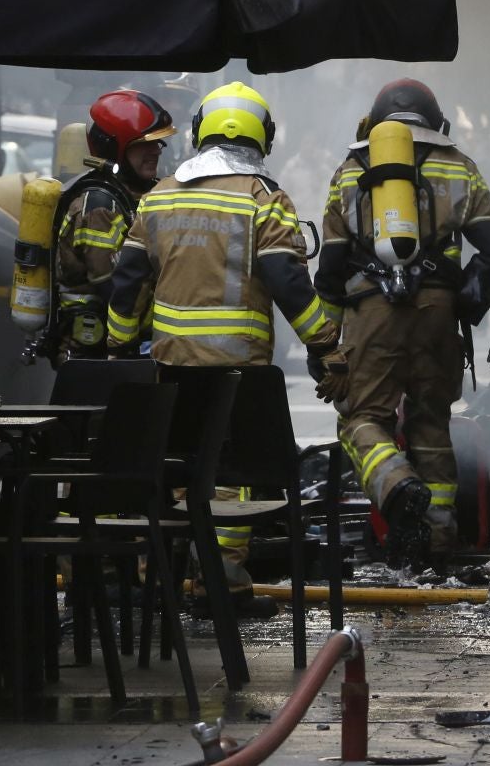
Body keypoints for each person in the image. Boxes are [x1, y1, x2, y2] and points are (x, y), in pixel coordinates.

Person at [104, 80, 340, 613]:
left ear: (198, 133)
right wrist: (326, 346)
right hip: (239, 373)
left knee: (175, 468)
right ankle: (223, 584)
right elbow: (289, 283)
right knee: (232, 476)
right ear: (264, 137)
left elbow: (128, 280)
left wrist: (119, 347)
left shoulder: (159, 198)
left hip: (169, 372)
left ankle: (163, 579)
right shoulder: (265, 200)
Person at [314, 79, 490, 567]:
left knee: (363, 418)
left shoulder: (352, 170)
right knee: (432, 424)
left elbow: (329, 271)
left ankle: (395, 485)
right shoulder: (460, 168)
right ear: (436, 121)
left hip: (371, 314)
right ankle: (437, 536)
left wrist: (323, 345)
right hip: (438, 314)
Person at [49, 89, 175, 361]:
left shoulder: (142, 194)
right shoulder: (98, 207)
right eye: (144, 144)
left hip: (131, 349)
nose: (155, 151)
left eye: (157, 144)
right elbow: (116, 287)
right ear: (112, 147)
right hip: (96, 356)